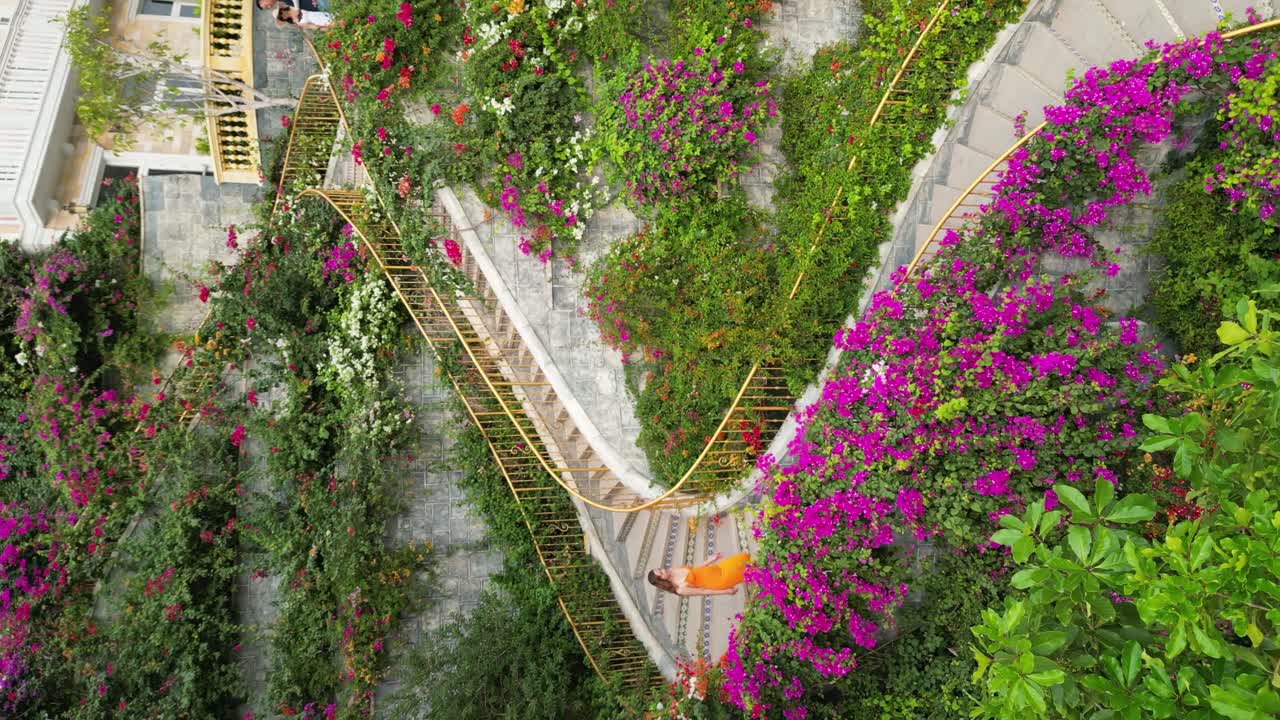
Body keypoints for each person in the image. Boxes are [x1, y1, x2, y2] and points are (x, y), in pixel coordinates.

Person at [647, 552, 749, 597]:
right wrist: (726, 591)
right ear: (662, 581)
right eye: (661, 573)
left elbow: (694, 569)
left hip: (717, 568)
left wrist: (710, 560)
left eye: (661, 569)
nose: (664, 570)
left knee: (743, 558)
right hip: (720, 580)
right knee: (748, 570)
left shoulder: (673, 570)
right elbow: (704, 592)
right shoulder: (680, 588)